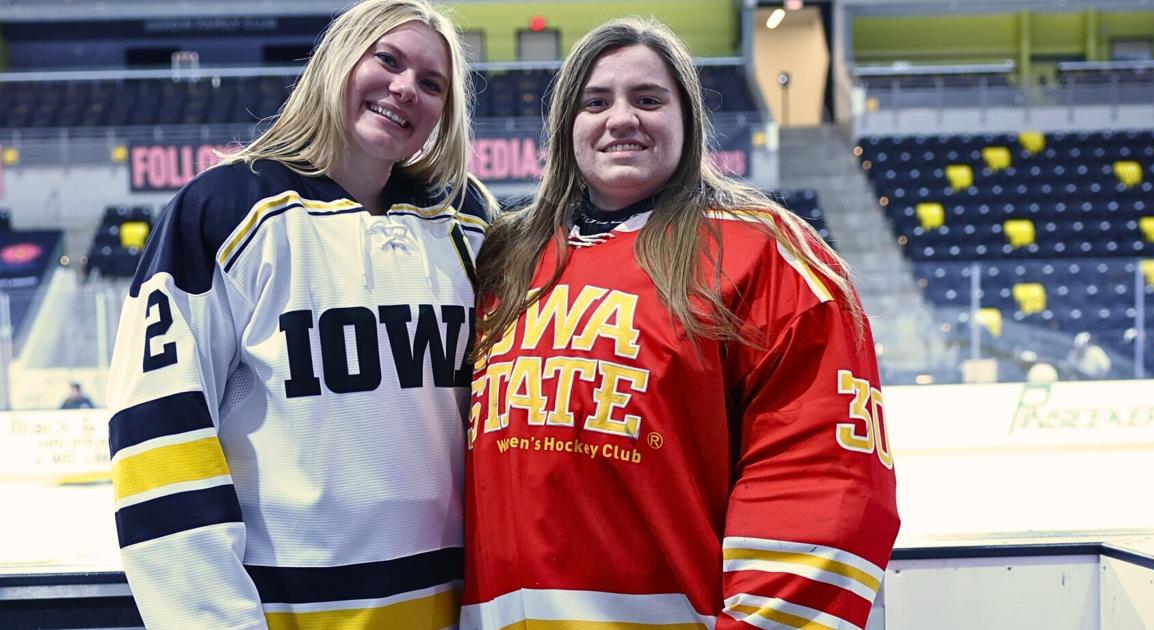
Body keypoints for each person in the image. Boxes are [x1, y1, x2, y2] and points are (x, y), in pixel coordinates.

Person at [462, 17, 899, 629]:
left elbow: (826, 479)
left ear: (687, 120)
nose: (621, 119)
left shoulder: (766, 254)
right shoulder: (505, 259)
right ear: (566, 127)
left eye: (648, 100)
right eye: (595, 102)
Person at [105, 1, 493, 627]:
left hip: (454, 609)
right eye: (387, 60)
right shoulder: (225, 208)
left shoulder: (468, 219)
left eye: (432, 84)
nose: (405, 89)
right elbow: (158, 436)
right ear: (339, 61)